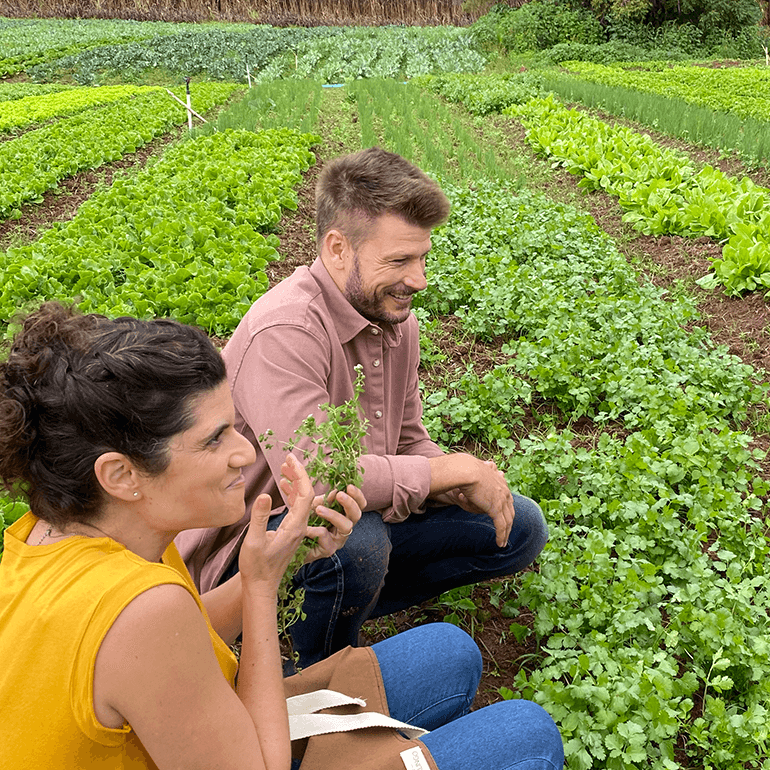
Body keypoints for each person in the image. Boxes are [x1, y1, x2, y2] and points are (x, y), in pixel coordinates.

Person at [0, 302, 564, 770]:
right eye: (215, 439)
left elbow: (181, 636)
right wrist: (263, 592)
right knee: (527, 731)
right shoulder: (141, 611)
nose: (245, 453)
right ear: (121, 474)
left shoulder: (51, 536)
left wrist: (269, 563)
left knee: (451, 651)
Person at [176, 147, 550, 670]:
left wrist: (456, 483)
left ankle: (337, 606)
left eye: (422, 257)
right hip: (255, 548)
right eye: (398, 260)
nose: (418, 279)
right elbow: (317, 482)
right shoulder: (286, 330)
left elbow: (407, 438)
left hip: (352, 519)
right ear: (337, 249)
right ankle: (317, 661)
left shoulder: (397, 321)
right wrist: (442, 470)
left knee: (520, 525)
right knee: (353, 539)